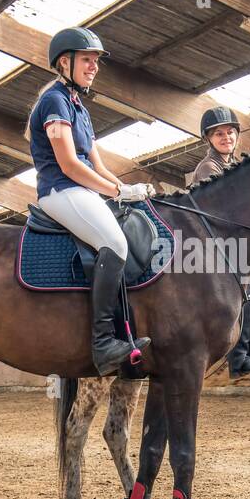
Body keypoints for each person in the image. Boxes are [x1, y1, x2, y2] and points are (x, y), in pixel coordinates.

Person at [27, 26, 153, 376]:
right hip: (59, 190)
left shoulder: (79, 107)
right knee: (114, 242)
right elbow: (68, 164)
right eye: (87, 60)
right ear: (64, 63)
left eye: (96, 61)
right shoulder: (53, 101)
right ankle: (102, 342)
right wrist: (115, 192)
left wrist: (129, 189)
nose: (94, 67)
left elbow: (97, 165)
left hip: (81, 189)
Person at [189, 106, 250, 378]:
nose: (226, 137)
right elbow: (222, 212)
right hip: (209, 243)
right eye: (219, 134)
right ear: (209, 139)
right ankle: (238, 356)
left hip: (232, 243)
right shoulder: (208, 167)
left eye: (229, 132)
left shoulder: (233, 164)